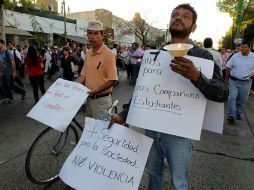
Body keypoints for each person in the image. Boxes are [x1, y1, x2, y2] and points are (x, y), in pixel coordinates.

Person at [108, 4, 228, 190]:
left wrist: (196, 76)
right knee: (153, 173)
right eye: (175, 15)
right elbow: (142, 92)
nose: (179, 18)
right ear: (170, 21)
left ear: (194, 27)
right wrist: (123, 115)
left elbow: (222, 93)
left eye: (186, 16)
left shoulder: (202, 56)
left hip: (181, 133)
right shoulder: (155, 55)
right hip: (152, 128)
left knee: (179, 182)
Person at [75, 20, 118, 119]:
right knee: (90, 130)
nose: (92, 37)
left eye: (95, 33)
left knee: (101, 132)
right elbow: (83, 76)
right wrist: (71, 86)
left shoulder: (108, 54)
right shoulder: (88, 53)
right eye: (89, 33)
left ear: (102, 35)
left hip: (102, 101)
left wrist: (96, 91)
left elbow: (113, 79)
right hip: (88, 100)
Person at [225, 40, 254, 123]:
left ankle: (238, 112)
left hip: (246, 83)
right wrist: (226, 80)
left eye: (245, 47)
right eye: (242, 47)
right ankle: (231, 115)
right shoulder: (235, 56)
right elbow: (228, 67)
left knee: (242, 100)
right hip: (234, 81)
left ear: (249, 48)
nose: (243, 49)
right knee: (232, 98)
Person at [0, 39, 26, 104]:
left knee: (11, 85)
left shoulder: (7, 51)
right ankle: (10, 98)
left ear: (2, 43)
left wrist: (14, 72)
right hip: (4, 72)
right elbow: (0, 63)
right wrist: (1, 71)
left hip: (9, 72)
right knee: (4, 85)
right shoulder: (0, 52)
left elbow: (13, 62)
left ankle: (22, 91)